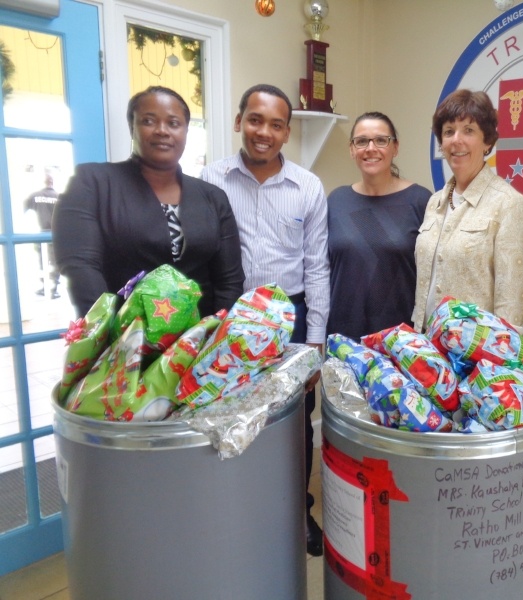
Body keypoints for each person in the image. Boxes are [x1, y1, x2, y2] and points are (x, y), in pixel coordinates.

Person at [200, 84, 329, 557]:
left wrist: (316, 341)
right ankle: (235, 512)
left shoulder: (307, 186)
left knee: (294, 424)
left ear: (287, 132)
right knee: (228, 418)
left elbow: (317, 267)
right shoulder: (210, 180)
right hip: (229, 318)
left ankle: (298, 514)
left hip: (290, 321)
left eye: (276, 124)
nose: (264, 133)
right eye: (256, 120)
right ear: (239, 122)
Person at [53, 86, 244, 318]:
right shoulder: (93, 184)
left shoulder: (212, 197)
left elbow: (229, 280)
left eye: (174, 123)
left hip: (199, 340)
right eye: (148, 121)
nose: (162, 131)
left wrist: (215, 334)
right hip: (122, 337)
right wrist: (110, 336)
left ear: (185, 131)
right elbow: (80, 267)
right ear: (132, 127)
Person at [412, 89, 523, 332]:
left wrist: (499, 358)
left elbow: (512, 303)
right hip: (425, 347)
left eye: (468, 130)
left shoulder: (507, 203)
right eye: (448, 132)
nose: (456, 140)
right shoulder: (435, 202)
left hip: (474, 354)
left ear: (487, 141)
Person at [327, 111, 431, 339]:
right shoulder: (336, 201)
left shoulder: (421, 201)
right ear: (352, 149)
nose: (370, 148)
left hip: (400, 342)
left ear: (395, 148)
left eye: (381, 140)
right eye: (361, 141)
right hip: (344, 340)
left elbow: (434, 278)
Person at [24, 173, 61, 299]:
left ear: (44, 182)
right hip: (56, 233)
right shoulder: (59, 196)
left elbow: (23, 208)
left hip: (41, 233)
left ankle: (44, 287)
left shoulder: (36, 196)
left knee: (42, 261)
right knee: (55, 262)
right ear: (52, 182)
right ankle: (53, 288)